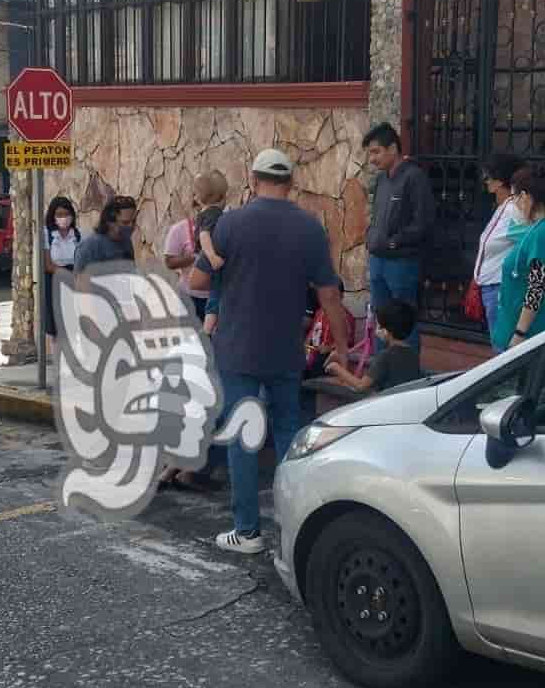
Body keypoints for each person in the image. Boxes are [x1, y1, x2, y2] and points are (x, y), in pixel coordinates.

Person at [199, 147, 349, 555]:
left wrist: (215, 257)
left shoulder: (230, 224)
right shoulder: (310, 229)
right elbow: (330, 295)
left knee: (244, 437)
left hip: (238, 350)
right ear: (291, 183)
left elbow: (196, 279)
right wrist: (344, 347)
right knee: (287, 433)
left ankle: (247, 531)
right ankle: (292, 530)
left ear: (252, 179)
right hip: (285, 351)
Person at [363, 122, 434, 358]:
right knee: (381, 321)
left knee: (404, 321)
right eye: (369, 153)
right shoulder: (382, 180)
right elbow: (376, 219)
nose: (372, 159)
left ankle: (406, 378)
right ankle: (382, 374)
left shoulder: (414, 177)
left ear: (392, 148)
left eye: (376, 152)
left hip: (402, 264)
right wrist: (371, 238)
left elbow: (423, 223)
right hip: (378, 262)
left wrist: (395, 242)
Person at [492, 165, 545, 352]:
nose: (513, 204)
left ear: (525, 197)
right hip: (511, 334)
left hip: (525, 339)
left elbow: (536, 288)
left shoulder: (543, 234)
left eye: (514, 198)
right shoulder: (533, 231)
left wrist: (519, 334)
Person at [473, 151, 523, 343]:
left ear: (500, 180)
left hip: (500, 288)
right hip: (492, 286)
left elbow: (528, 242)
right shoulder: (505, 207)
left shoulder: (513, 210)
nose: (485, 180)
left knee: (502, 348)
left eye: (488, 176)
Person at [164, 172, 228, 320]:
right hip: (189, 297)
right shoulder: (178, 229)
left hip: (215, 293)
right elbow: (169, 262)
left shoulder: (223, 223)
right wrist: (196, 257)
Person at [324, 299, 422, 396]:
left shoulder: (385, 356)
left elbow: (361, 386)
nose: (376, 328)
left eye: (378, 325)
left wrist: (336, 368)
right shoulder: (413, 353)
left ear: (386, 331)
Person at [43, 195, 79, 353]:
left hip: (74, 282)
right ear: (53, 216)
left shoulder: (77, 235)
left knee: (72, 322)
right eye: (59, 214)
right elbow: (48, 264)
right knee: (56, 325)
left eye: (66, 214)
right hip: (55, 281)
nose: (63, 218)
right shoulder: (48, 235)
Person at [73, 196, 137, 276]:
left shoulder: (127, 242)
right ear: (110, 222)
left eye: (134, 221)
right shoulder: (88, 248)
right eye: (125, 222)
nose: (131, 226)